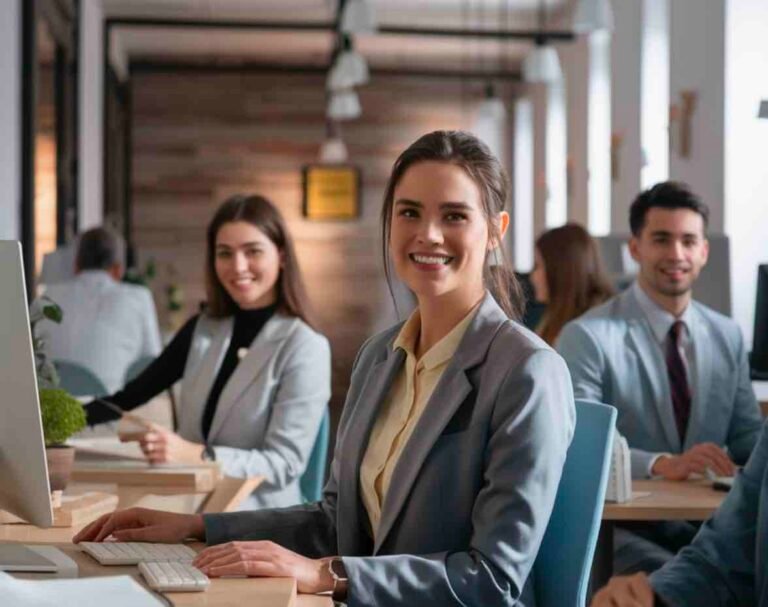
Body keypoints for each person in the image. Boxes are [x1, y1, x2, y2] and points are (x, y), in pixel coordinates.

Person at [74, 130, 575, 606]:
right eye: (409, 212)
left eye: (454, 216)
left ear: (495, 230)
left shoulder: (527, 373)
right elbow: (337, 521)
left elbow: (492, 580)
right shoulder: (379, 357)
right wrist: (197, 527)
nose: (428, 234)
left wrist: (325, 574)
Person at [557, 181, 762, 574]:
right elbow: (581, 448)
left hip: (715, 529)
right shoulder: (587, 336)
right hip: (627, 532)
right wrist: (661, 463)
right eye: (662, 240)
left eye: (689, 241)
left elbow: (747, 436)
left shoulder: (727, 334)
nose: (676, 254)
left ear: (704, 251)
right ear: (636, 248)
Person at [85, 194, 331, 511]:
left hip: (259, 517)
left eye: (252, 251)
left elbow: (283, 465)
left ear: (281, 256)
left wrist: (197, 454)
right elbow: (130, 396)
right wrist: (50, 424)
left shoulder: (304, 346)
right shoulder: (203, 328)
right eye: (224, 253)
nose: (237, 266)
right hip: (191, 507)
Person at [591, 419, 768, 607]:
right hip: (632, 529)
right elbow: (722, 560)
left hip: (688, 529)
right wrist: (654, 598)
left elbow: (747, 437)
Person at [37, 227, 162, 394]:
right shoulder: (139, 298)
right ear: (118, 269)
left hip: (50, 412)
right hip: (109, 411)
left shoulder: (48, 296)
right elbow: (152, 364)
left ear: (76, 266)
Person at [529, 223, 614, 345]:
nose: (533, 276)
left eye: (537, 266)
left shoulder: (583, 332)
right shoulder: (554, 317)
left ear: (560, 270)